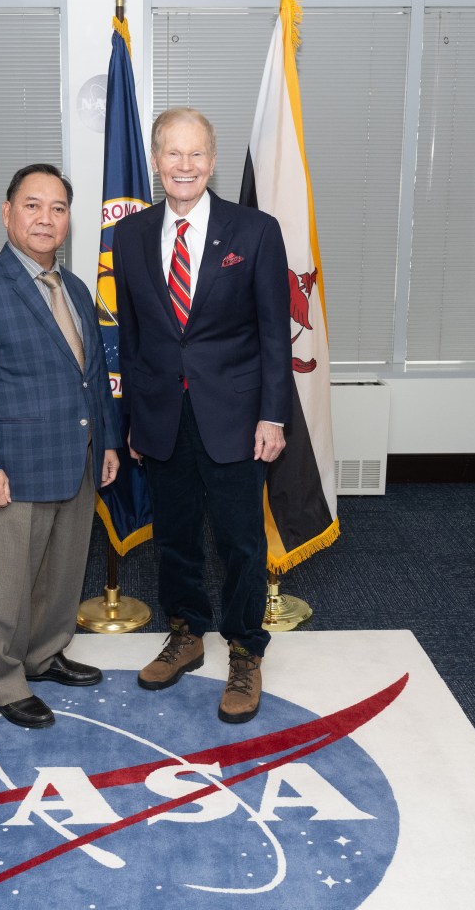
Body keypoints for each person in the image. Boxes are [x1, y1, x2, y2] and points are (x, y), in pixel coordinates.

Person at [113, 108, 292, 724]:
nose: (184, 166)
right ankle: (187, 634)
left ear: (212, 162)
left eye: (196, 155)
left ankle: (245, 652)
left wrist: (273, 416)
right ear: (157, 161)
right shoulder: (130, 235)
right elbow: (132, 340)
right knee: (176, 537)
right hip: (163, 417)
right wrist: (134, 419)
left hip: (237, 418)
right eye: (172, 154)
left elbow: (275, 335)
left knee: (241, 541)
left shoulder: (256, 231)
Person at [0, 164, 120, 730]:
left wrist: (109, 442)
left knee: (64, 573)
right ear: (7, 213)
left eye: (58, 208)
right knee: (9, 580)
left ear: (69, 220)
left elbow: (92, 375)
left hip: (77, 459)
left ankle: (44, 655)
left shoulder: (74, 289)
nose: (46, 219)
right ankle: (3, 680)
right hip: (12, 469)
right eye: (33, 205)